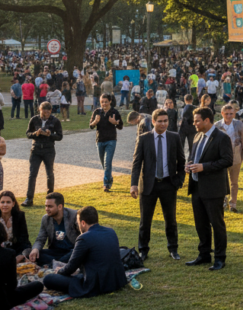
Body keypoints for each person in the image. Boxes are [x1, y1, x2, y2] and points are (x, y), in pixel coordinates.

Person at [131, 108, 185, 261]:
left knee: (171, 219)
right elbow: (136, 163)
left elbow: (182, 160)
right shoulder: (143, 138)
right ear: (153, 122)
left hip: (169, 184)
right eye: (160, 121)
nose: (163, 124)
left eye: (165, 121)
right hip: (149, 185)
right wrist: (133, 184)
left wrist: (180, 180)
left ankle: (173, 249)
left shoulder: (174, 137)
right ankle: (143, 250)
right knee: (145, 220)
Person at [42, 206, 128, 297]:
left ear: (83, 223)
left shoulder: (84, 238)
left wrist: (59, 271)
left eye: (78, 223)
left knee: (48, 279)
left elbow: (71, 267)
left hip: (96, 284)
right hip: (116, 281)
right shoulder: (111, 231)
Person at [186, 107, 233, 270]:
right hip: (197, 187)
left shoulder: (222, 138)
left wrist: (204, 167)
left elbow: (227, 160)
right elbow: (193, 157)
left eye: (197, 120)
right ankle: (204, 254)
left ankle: (220, 258)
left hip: (214, 188)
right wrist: (189, 165)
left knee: (217, 223)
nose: (194, 124)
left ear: (207, 120)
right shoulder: (197, 136)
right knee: (201, 224)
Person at [22, 102, 62, 207]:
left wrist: (50, 134)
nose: (46, 115)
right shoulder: (34, 120)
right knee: (32, 174)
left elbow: (60, 136)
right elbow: (28, 134)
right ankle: (29, 198)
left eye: (48, 113)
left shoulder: (55, 121)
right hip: (36, 149)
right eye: (44, 113)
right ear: (40, 110)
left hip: (49, 150)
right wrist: (36, 133)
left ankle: (51, 197)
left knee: (49, 173)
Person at [26, 193, 79, 267]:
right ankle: (59, 264)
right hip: (55, 251)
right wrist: (35, 249)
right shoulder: (46, 219)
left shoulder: (74, 216)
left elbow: (84, 240)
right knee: (36, 254)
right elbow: (40, 239)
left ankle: (54, 265)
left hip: (71, 251)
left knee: (77, 253)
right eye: (46, 206)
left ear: (60, 206)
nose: (47, 209)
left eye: (50, 206)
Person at [215, 102, 243, 212]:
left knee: (234, 182)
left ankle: (233, 204)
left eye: (231, 114)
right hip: (221, 157)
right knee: (222, 181)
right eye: (227, 114)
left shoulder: (239, 124)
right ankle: (223, 201)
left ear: (234, 113)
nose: (229, 116)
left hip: (236, 155)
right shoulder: (217, 125)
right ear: (222, 113)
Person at [89, 93, 123, 192]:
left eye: (106, 102)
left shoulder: (114, 112)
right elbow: (90, 126)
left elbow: (120, 126)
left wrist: (115, 122)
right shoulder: (97, 111)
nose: (104, 104)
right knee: (104, 164)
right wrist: (95, 122)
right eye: (102, 102)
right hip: (100, 140)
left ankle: (106, 184)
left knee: (107, 163)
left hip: (111, 140)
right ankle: (109, 178)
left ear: (110, 101)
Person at [0, 191, 30, 261]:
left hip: (16, 249)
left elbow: (24, 238)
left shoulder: (20, 216)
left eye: (8, 202)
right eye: (2, 202)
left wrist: (21, 255)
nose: (5, 205)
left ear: (13, 203)